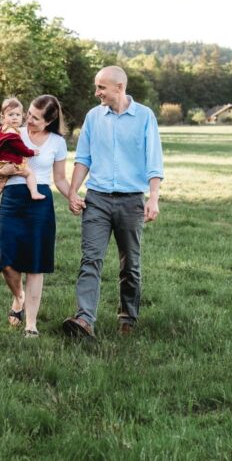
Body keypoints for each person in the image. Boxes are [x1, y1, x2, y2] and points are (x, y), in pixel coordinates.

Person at [63, 66, 164, 340]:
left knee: (129, 263)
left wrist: (153, 198)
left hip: (131, 201)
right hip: (96, 200)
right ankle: (84, 321)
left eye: (101, 88)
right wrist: (73, 192)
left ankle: (127, 316)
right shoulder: (94, 118)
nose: (97, 93)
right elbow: (83, 158)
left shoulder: (144, 116)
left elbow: (154, 161)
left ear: (119, 87)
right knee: (90, 259)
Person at [0, 95, 72, 337]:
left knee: (35, 265)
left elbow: (60, 179)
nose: (28, 119)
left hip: (40, 202)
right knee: (6, 262)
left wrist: (73, 197)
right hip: (12, 198)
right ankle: (18, 297)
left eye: (35, 117)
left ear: (50, 120)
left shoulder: (57, 142)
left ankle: (31, 324)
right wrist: (3, 169)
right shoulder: (13, 131)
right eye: (29, 114)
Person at [0, 97, 45, 212]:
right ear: (3, 117)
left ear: (22, 116)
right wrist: (31, 152)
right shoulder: (12, 133)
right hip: (10, 164)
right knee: (29, 173)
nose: (15, 118)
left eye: (18, 115)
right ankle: (34, 192)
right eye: (10, 115)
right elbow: (21, 148)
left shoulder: (0, 130)